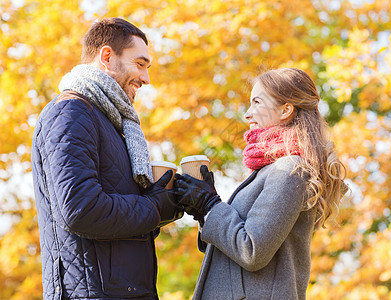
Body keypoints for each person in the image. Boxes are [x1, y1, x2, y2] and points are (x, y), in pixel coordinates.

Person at [31, 18, 181, 299]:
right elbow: (81, 210)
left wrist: (171, 200)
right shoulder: (71, 113)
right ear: (107, 57)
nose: (147, 79)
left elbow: (118, 220)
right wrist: (155, 209)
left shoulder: (113, 124)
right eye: (140, 64)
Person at [174, 68, 347, 299]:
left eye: (257, 102)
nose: (247, 114)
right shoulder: (269, 169)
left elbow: (252, 251)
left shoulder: (290, 169)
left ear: (286, 109)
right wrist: (203, 212)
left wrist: (210, 204)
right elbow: (231, 249)